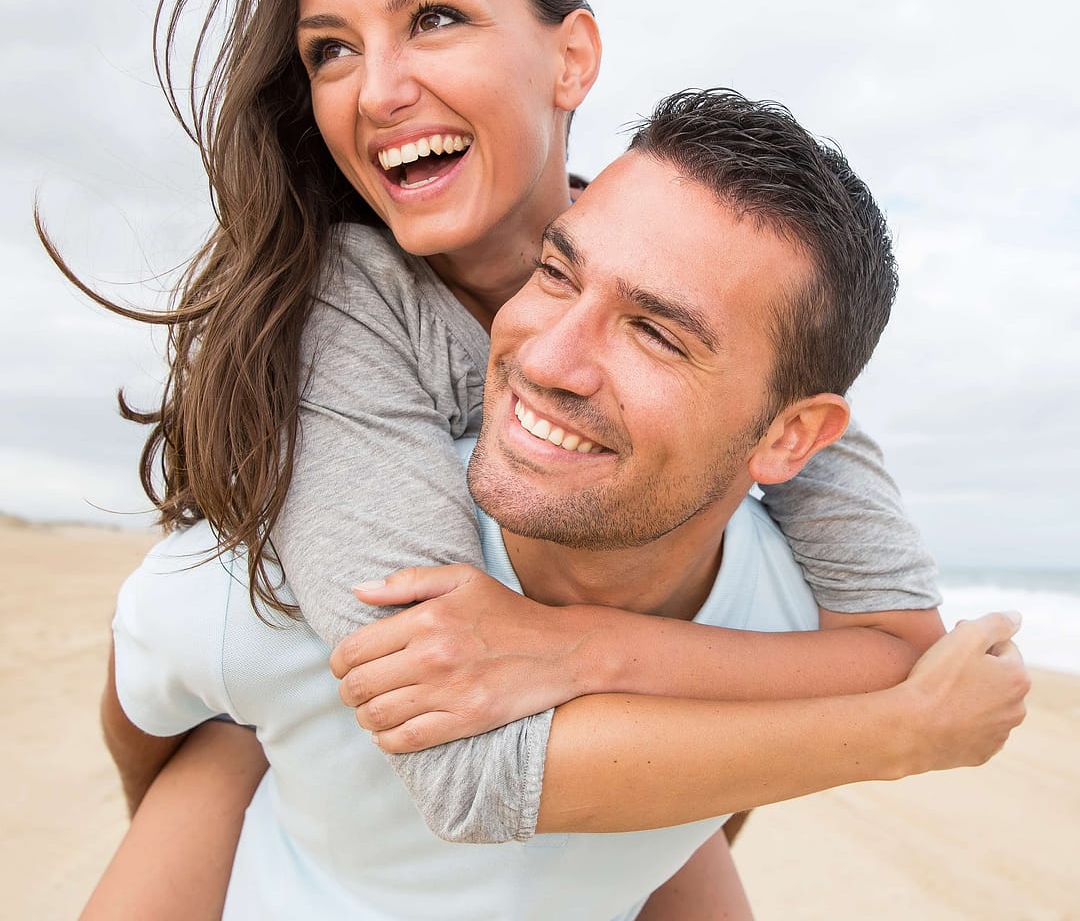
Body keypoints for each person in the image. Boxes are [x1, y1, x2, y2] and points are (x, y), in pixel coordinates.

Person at [100, 89, 1029, 920]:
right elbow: (146, 707)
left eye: (657, 334)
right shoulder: (306, 587)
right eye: (556, 274)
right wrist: (206, 798)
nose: (546, 360)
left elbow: (726, 790)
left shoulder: (799, 628)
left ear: (791, 438)